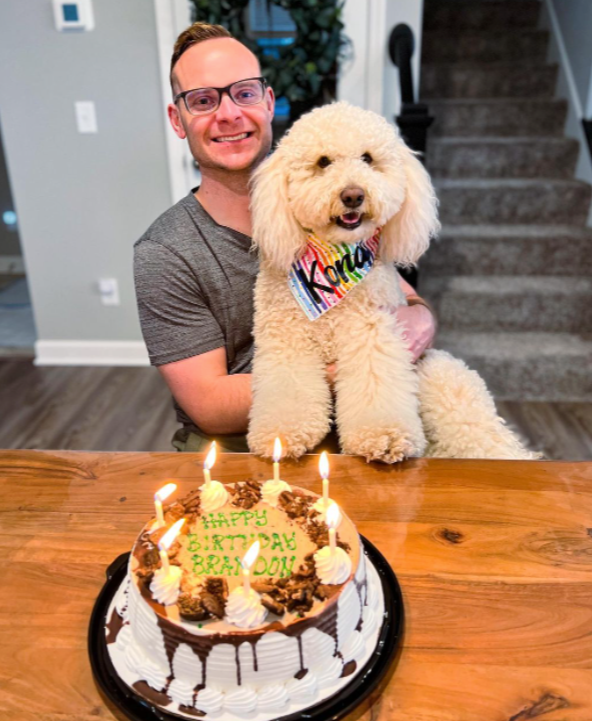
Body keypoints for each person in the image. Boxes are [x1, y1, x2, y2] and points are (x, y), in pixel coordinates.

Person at [134, 23, 436, 453]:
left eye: (244, 93)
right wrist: (365, 364)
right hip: (244, 451)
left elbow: (398, 292)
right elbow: (209, 405)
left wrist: (423, 318)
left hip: (375, 431)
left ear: (268, 102)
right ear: (177, 119)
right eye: (203, 100)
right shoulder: (165, 252)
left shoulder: (334, 206)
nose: (228, 114)